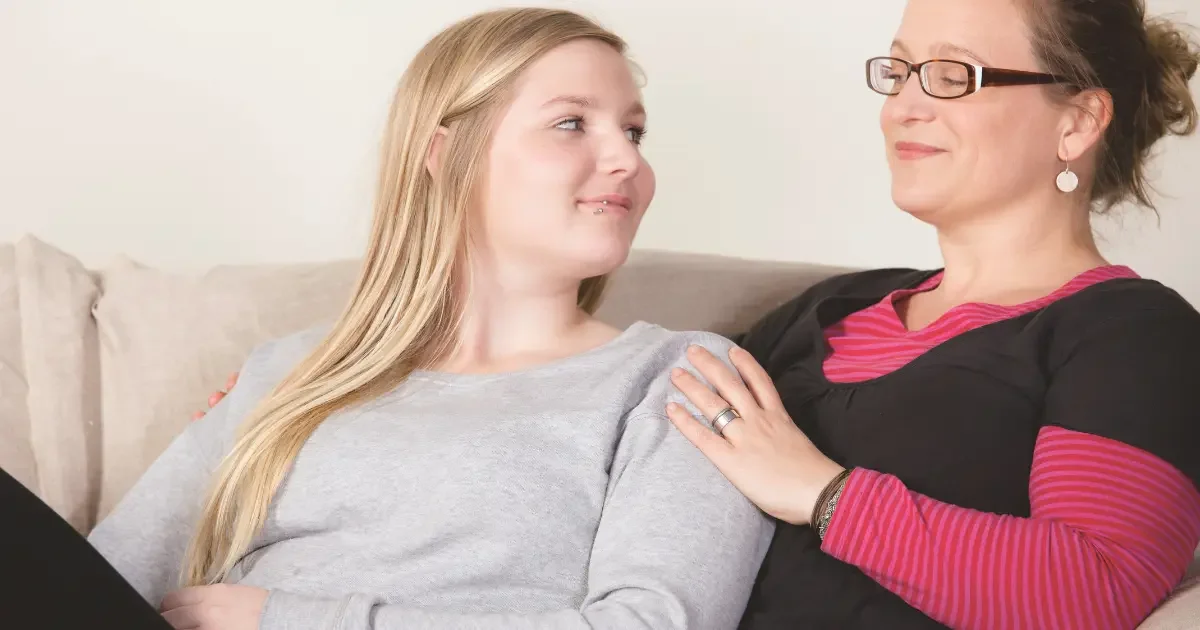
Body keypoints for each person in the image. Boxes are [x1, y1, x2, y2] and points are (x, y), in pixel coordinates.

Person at [0, 7, 777, 630]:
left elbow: (654, 622)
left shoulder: (679, 378)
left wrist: (289, 619)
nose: (627, 160)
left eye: (633, 131)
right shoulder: (293, 373)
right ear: (443, 155)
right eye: (573, 123)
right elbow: (94, 580)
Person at [663, 0, 1200, 628]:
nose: (902, 108)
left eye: (952, 76)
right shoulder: (830, 307)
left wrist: (820, 492)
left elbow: (1099, 586)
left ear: (1077, 124)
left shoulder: (1135, 335)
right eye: (898, 73)